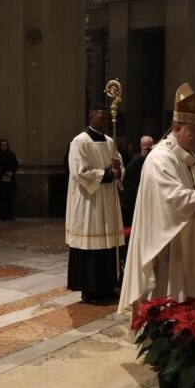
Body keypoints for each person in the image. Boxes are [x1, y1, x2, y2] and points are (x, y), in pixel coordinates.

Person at [118, 83, 195, 312]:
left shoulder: (190, 159)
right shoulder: (160, 158)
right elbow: (173, 198)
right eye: (193, 130)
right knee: (169, 298)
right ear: (176, 128)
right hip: (167, 245)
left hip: (189, 241)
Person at [66, 104, 126, 304]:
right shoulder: (79, 142)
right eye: (101, 118)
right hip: (89, 201)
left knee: (107, 245)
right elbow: (79, 172)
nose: (105, 122)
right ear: (90, 117)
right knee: (90, 245)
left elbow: (120, 166)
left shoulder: (110, 141)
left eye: (107, 119)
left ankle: (107, 286)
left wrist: (118, 171)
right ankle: (89, 290)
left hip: (107, 200)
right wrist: (108, 174)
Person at [120, 135, 153, 226]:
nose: (148, 150)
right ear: (141, 146)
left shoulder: (155, 158)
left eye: (150, 147)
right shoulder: (134, 159)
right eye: (145, 147)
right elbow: (129, 171)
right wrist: (142, 156)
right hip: (135, 195)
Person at [0, 138, 19, 220]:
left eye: (5, 144)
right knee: (0, 199)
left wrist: (11, 172)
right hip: (0, 180)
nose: (4, 146)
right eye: (2, 145)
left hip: (10, 179)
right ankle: (1, 215)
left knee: (10, 198)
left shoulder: (11, 154)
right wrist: (5, 172)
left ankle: (10, 214)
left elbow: (15, 165)